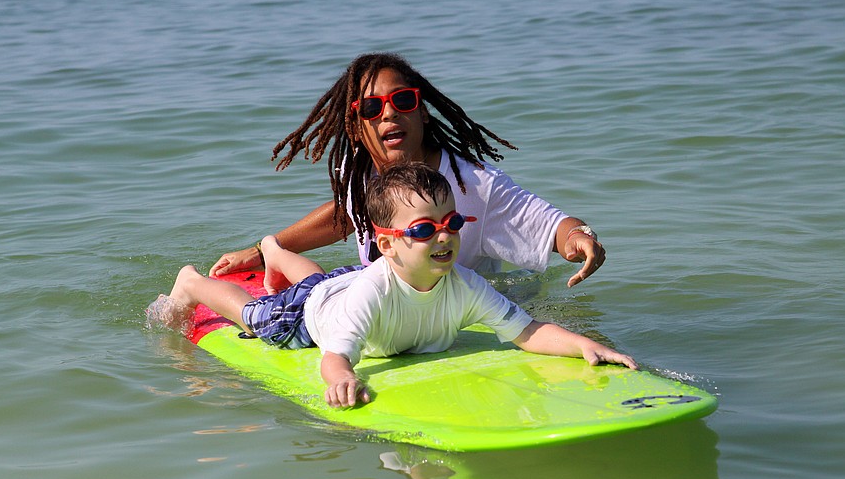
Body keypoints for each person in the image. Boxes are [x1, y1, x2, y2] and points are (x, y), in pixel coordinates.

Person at [149, 163, 636, 408]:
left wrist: (581, 345)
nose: (443, 236)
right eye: (424, 230)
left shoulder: (462, 283)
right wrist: (341, 379)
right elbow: (334, 357)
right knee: (263, 316)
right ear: (386, 244)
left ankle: (275, 252)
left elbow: (527, 331)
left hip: (340, 288)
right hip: (318, 314)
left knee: (319, 281)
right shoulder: (373, 293)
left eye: (449, 223)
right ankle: (192, 283)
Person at [209, 52, 605, 288]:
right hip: (393, 308)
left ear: (423, 114)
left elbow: (550, 225)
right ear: (356, 128)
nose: (389, 112)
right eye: (371, 107)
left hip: (474, 310)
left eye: (403, 99)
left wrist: (580, 237)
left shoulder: (474, 186)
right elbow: (345, 216)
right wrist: (263, 251)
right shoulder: (360, 168)